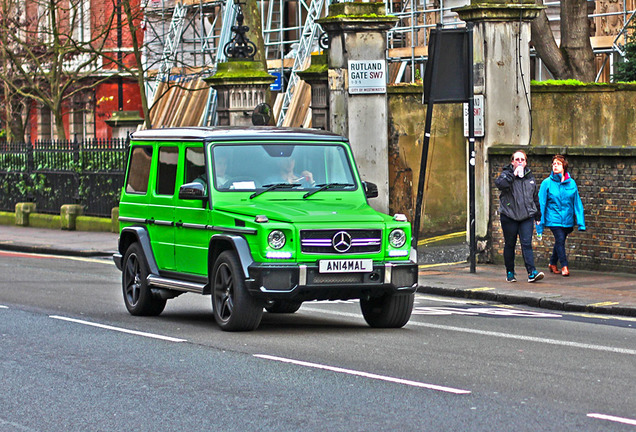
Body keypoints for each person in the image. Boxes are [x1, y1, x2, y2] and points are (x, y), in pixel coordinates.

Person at [495, 150, 544, 283]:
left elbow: (534, 197)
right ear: (512, 162)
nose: (520, 162)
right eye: (517, 160)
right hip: (509, 215)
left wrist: (537, 215)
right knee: (510, 244)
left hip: (526, 216)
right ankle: (510, 272)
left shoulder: (530, 177)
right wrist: (513, 175)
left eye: (522, 160)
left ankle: (531, 272)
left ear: (526, 162)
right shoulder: (506, 174)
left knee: (526, 244)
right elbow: (500, 184)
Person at [537, 154, 586, 277]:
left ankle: (552, 263)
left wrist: (580, 222)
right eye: (553, 164)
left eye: (558, 164)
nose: (555, 166)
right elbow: (541, 203)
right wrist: (539, 223)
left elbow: (577, 203)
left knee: (560, 241)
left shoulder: (571, 183)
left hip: (568, 219)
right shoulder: (546, 183)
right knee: (559, 239)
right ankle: (564, 265)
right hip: (553, 218)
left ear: (564, 166)